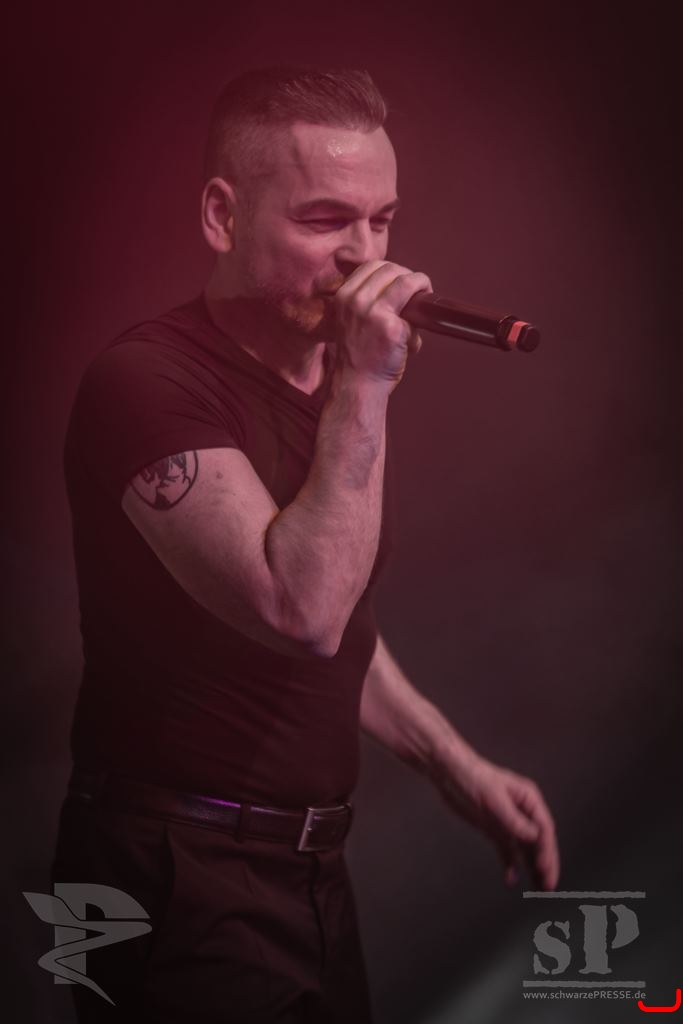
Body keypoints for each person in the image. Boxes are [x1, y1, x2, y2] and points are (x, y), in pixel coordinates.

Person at [53, 67, 560, 1023]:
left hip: (307, 869)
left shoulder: (330, 383)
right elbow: (301, 609)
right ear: (222, 216)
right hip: (167, 877)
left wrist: (458, 768)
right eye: (326, 221)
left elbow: (343, 629)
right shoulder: (145, 383)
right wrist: (366, 389)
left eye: (381, 221)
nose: (363, 257)